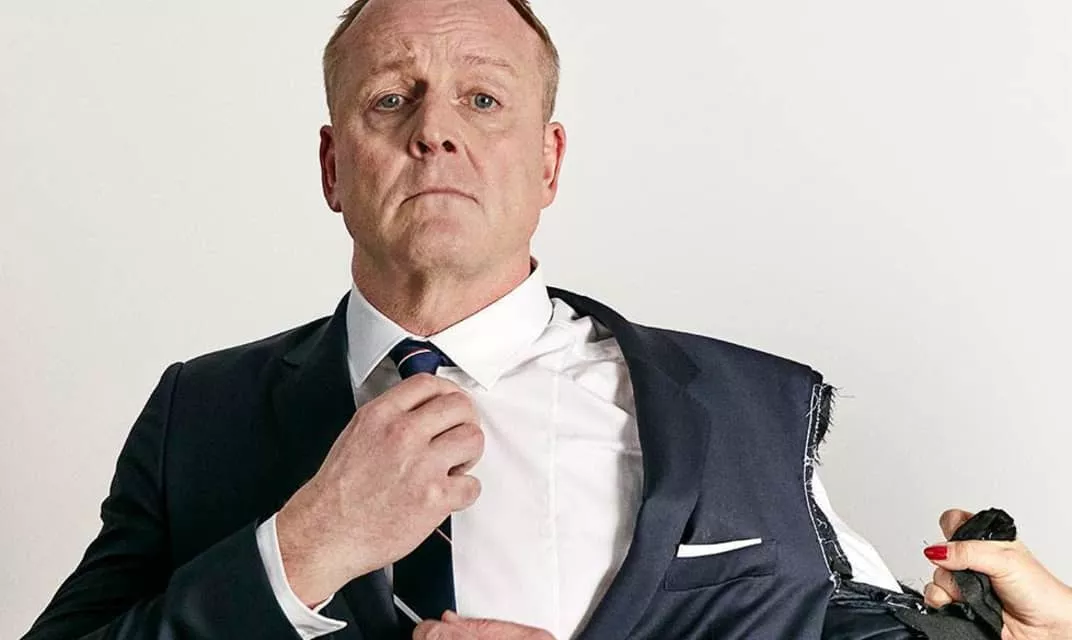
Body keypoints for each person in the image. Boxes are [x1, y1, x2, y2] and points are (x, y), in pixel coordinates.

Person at [22, 1, 1072, 639]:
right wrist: (304, 549)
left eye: (483, 101)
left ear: (548, 162)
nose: (435, 131)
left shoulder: (747, 407)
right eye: (390, 100)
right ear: (334, 167)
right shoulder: (197, 415)